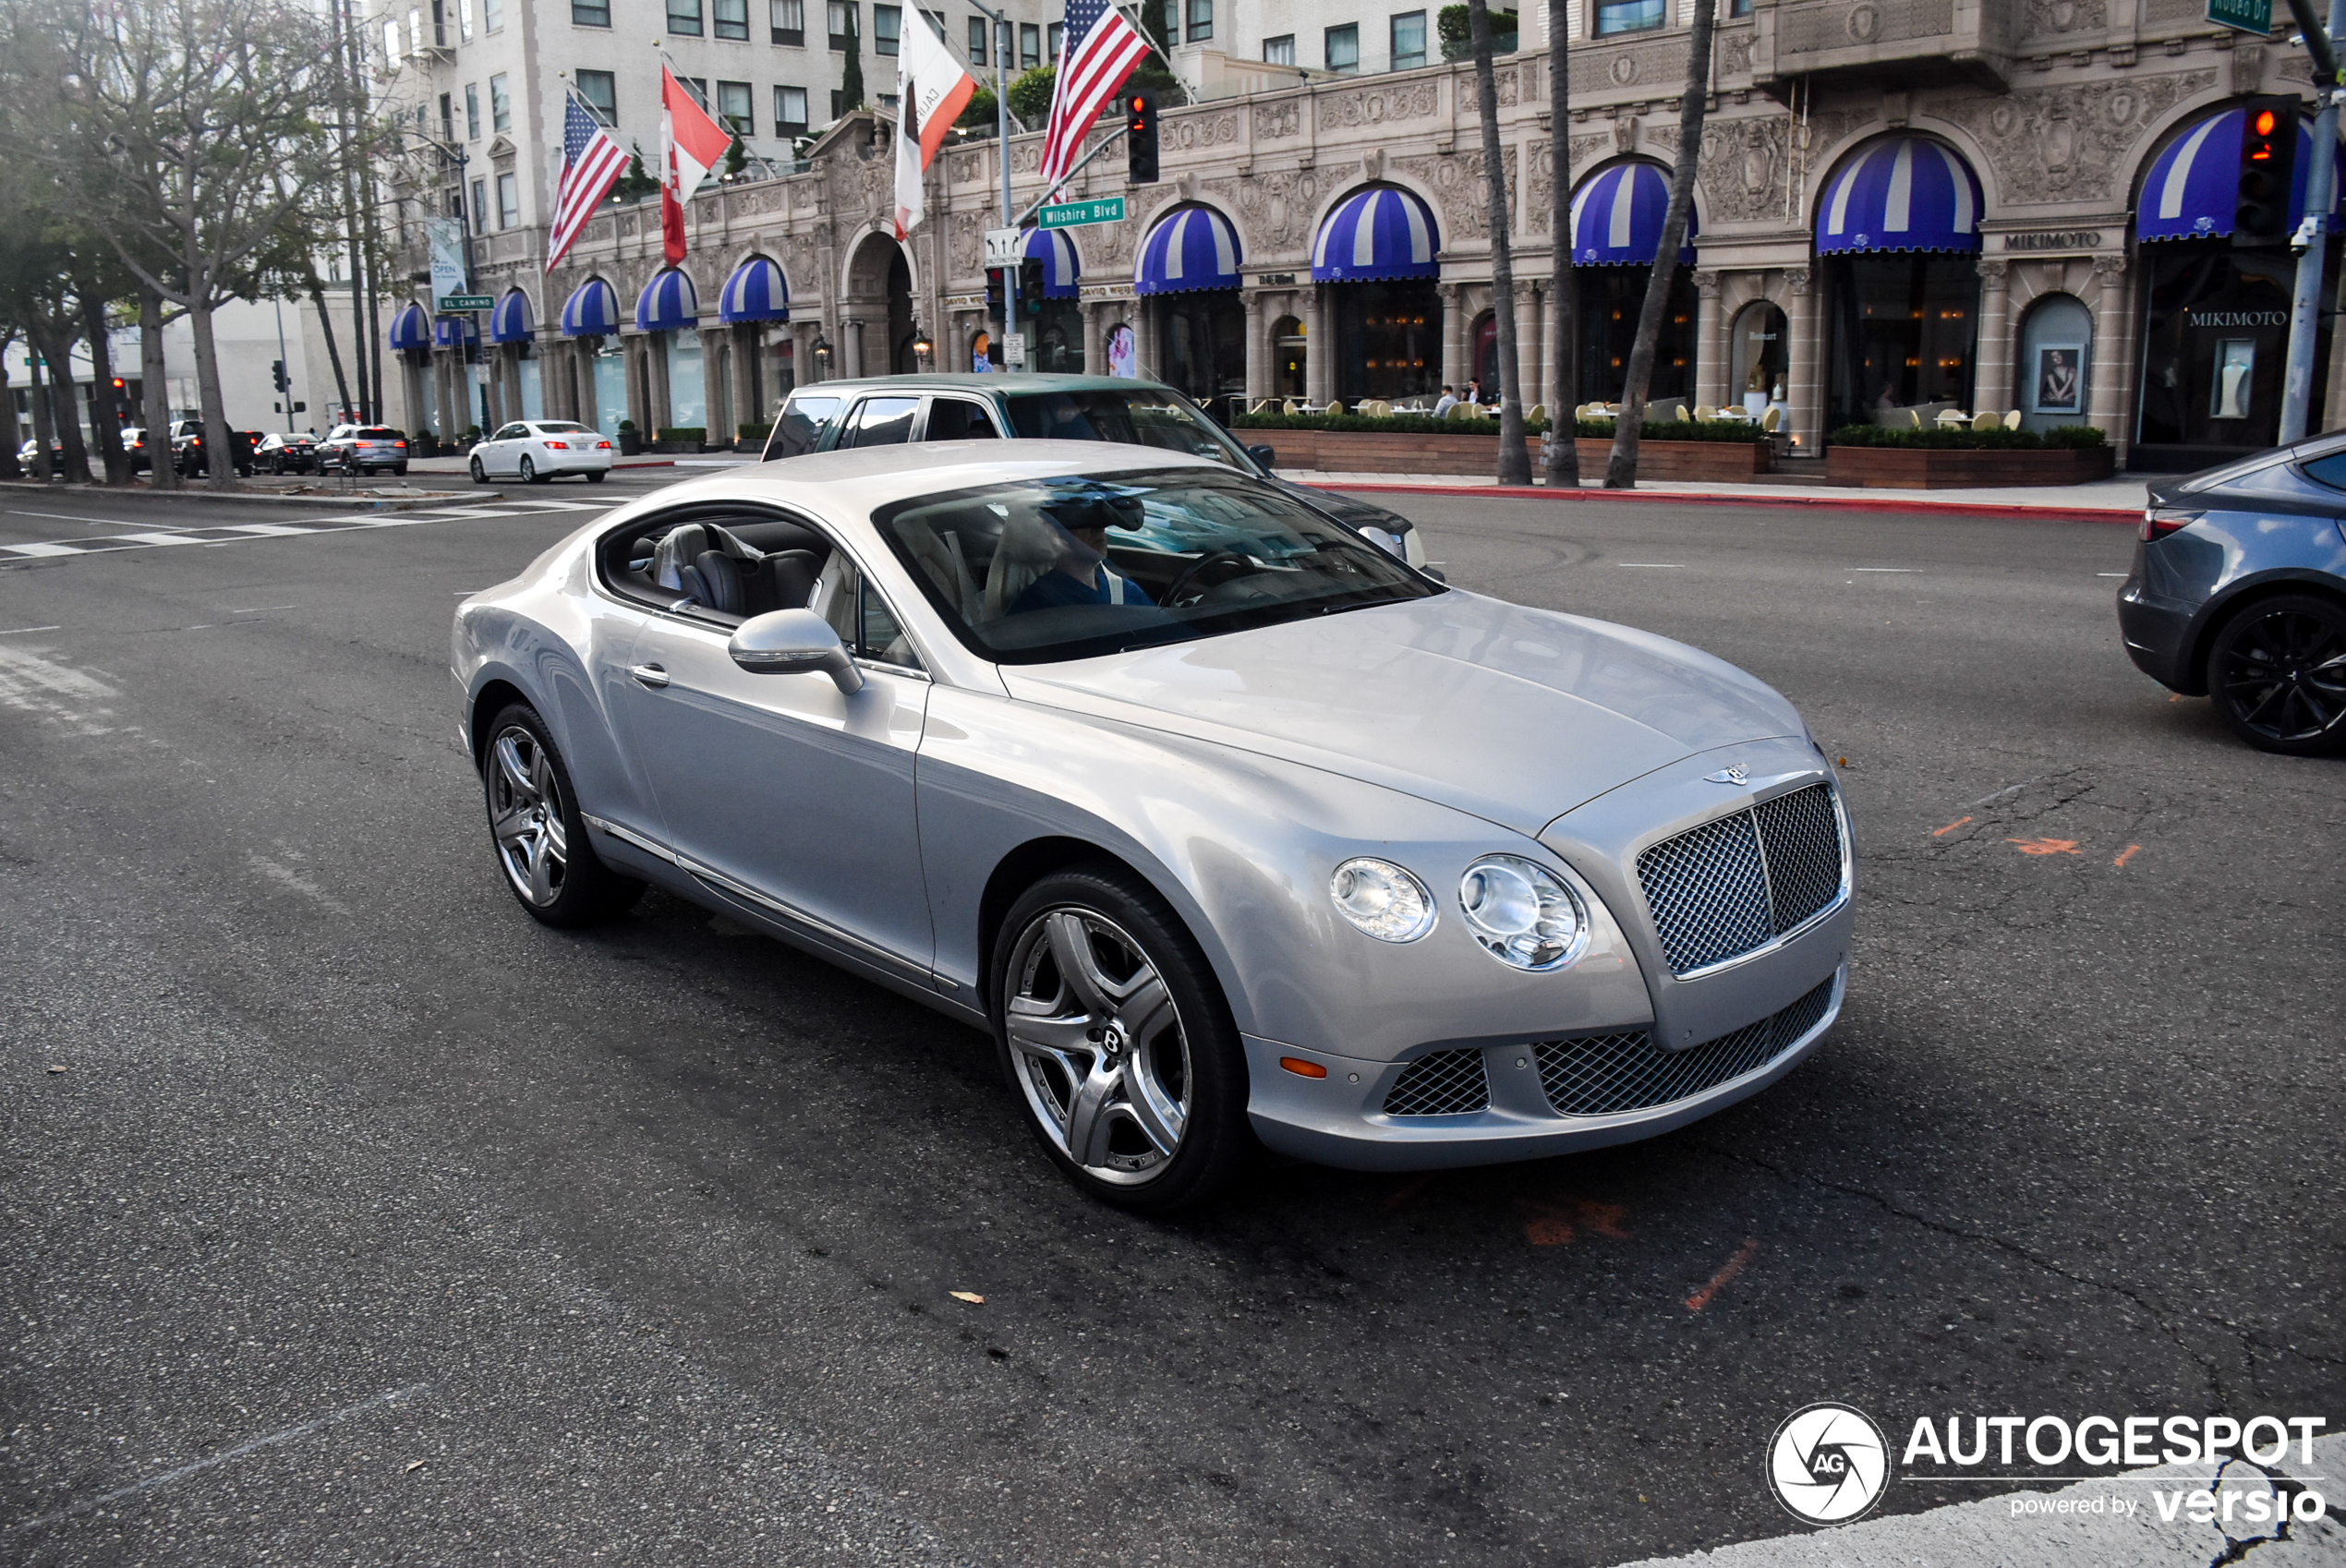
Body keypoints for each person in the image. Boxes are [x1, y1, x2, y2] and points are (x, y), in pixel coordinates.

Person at [1010, 492, 1155, 615]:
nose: (1098, 529)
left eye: (1101, 523)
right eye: (1084, 520)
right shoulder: (1037, 605)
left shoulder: (1126, 591)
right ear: (1055, 533)